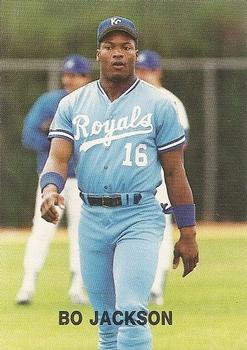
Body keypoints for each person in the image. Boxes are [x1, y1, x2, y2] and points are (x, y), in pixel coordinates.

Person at [40, 17, 199, 350]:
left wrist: (188, 232)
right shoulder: (72, 104)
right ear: (98, 53)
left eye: (125, 47)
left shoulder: (159, 104)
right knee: (107, 326)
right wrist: (50, 189)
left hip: (139, 216)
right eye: (109, 46)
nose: (117, 53)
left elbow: (174, 171)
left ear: (135, 54)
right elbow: (57, 158)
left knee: (130, 314)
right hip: (92, 218)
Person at [16, 55, 91, 305]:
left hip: (83, 181)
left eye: (75, 75)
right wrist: (59, 145)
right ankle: (27, 285)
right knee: (42, 230)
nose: (69, 79)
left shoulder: (93, 104)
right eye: (66, 74)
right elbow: (28, 135)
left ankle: (77, 287)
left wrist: (58, 139)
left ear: (86, 78)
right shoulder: (49, 102)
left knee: (82, 234)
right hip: (51, 179)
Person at [136, 50, 190, 305]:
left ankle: (156, 286)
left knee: (160, 229)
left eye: (146, 70)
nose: (142, 74)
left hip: (160, 177)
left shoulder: (171, 102)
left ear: (158, 72)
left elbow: (180, 145)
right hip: (135, 178)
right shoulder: (132, 100)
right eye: (140, 70)